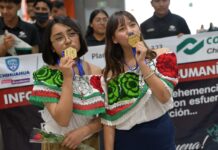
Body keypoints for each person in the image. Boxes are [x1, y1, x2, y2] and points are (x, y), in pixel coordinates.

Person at [101, 10, 179, 150]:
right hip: (127, 140)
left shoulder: (161, 56)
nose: (130, 31)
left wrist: (142, 63)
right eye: (122, 29)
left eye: (132, 25)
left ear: (139, 28)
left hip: (159, 132)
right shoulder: (110, 75)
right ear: (114, 39)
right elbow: (109, 121)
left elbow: (164, 97)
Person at [29, 16, 105, 150]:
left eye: (72, 34)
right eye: (59, 38)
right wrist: (67, 78)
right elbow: (63, 119)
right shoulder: (45, 75)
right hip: (56, 144)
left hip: (89, 141)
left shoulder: (96, 71)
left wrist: (85, 130)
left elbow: (108, 115)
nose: (68, 41)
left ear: (80, 38)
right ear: (51, 46)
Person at [0, 1, 42, 150]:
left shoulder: (30, 29)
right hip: (3, 91)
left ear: (18, 6)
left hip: (26, 88)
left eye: (9, 7)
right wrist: (3, 48)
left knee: (29, 125)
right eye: (1, 7)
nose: (5, 11)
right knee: (8, 130)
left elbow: (36, 57)